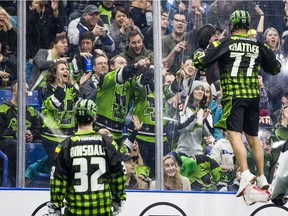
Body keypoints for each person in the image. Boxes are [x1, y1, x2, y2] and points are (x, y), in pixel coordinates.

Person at [193, 10, 282, 197]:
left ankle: (245, 174)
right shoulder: (258, 43)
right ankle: (262, 177)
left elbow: (200, 63)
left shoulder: (225, 42)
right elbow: (275, 68)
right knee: (253, 137)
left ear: (232, 26)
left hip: (234, 96)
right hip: (254, 97)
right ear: (248, 26)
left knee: (233, 134)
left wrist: (201, 48)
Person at [48, 99, 126, 215]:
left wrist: (56, 205)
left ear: (75, 117)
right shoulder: (108, 143)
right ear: (94, 117)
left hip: (75, 212)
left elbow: (58, 179)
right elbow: (118, 173)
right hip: (102, 211)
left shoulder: (65, 145)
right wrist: (118, 199)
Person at [0, 80, 41, 186]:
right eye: (23, 89)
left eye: (27, 89)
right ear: (14, 91)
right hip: (6, 144)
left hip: (25, 143)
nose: (26, 92)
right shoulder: (3, 108)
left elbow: (38, 129)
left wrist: (32, 134)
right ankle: (10, 179)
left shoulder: (31, 111)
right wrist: (16, 134)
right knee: (14, 144)